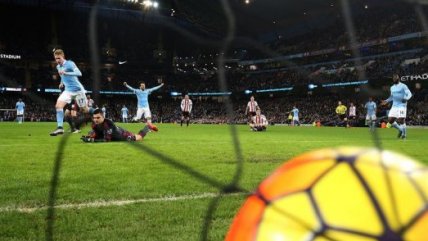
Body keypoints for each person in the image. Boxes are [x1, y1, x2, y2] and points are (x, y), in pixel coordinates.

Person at [50, 49, 89, 136]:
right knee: (58, 106)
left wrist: (67, 73)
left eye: (59, 58)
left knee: (85, 110)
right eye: (56, 58)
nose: (57, 60)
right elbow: (62, 75)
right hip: (68, 90)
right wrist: (61, 82)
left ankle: (99, 122)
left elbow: (79, 73)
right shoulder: (58, 67)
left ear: (63, 56)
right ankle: (60, 128)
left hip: (78, 90)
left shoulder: (70, 63)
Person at [80, 108, 150, 143]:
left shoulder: (107, 123)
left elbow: (107, 139)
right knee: (90, 132)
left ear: (103, 117)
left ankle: (147, 127)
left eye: (98, 118)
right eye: (94, 118)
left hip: (122, 135)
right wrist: (89, 136)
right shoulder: (94, 124)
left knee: (139, 137)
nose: (95, 120)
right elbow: (98, 135)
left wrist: (91, 140)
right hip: (114, 133)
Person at [381, 73, 412, 139]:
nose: (395, 78)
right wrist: (386, 101)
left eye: (396, 77)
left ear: (399, 78)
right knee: (390, 121)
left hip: (402, 105)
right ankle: (400, 130)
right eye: (394, 78)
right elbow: (392, 97)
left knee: (401, 120)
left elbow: (409, 93)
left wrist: (406, 98)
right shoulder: (392, 88)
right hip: (394, 106)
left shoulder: (403, 86)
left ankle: (404, 135)